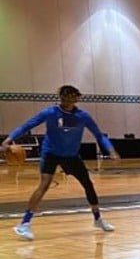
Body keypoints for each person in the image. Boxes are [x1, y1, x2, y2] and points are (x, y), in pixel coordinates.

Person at [2, 85, 119, 241]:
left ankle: (98, 219)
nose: (68, 99)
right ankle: (24, 224)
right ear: (61, 97)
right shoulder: (50, 113)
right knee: (44, 185)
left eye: (72, 96)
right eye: (65, 96)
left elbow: (99, 135)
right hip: (51, 153)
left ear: (77, 98)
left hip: (71, 155)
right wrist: (8, 140)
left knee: (88, 184)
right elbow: (26, 126)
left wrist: (111, 150)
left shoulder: (83, 116)